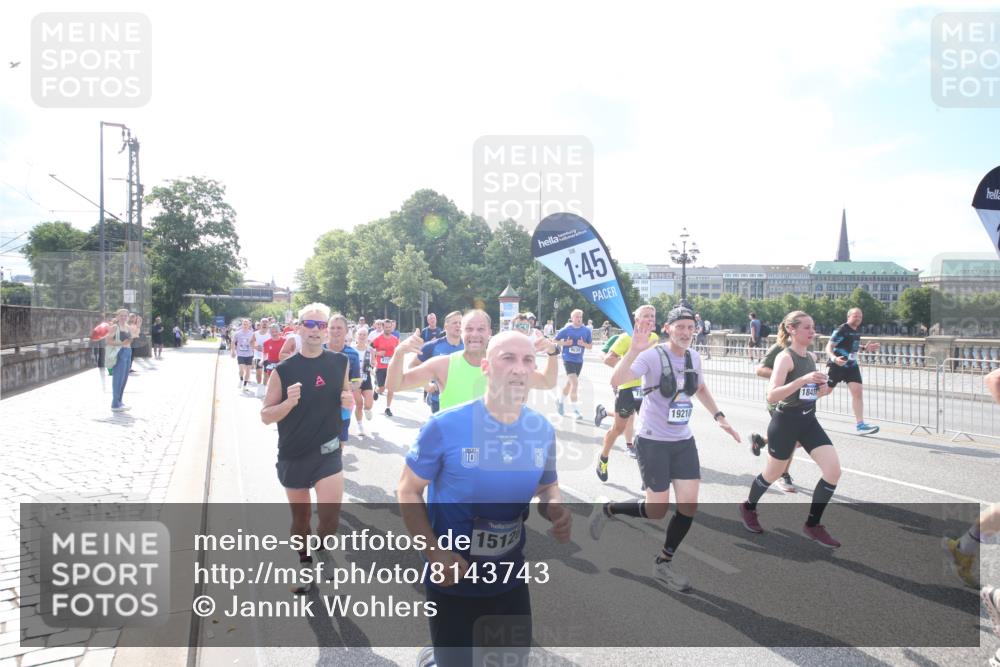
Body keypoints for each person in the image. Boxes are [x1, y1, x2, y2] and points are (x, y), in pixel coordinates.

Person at [398, 331, 571, 667]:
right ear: (486, 367)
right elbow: (407, 489)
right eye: (508, 358)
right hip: (453, 581)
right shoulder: (445, 425)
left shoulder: (541, 430)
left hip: (509, 579)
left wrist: (556, 508)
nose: (519, 369)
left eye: (527, 360)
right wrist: (433, 552)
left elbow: (546, 485)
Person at [590, 306, 740, 591]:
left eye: (690, 327)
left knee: (689, 505)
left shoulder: (694, 357)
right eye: (679, 327)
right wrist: (633, 350)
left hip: (683, 441)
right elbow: (616, 380)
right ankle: (609, 509)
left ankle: (663, 563)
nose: (685, 332)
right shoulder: (651, 355)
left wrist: (719, 417)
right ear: (668, 329)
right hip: (653, 440)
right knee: (657, 510)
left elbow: (700, 388)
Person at [261, 303, 353, 593]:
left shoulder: (340, 362)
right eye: (309, 324)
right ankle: (303, 563)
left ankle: (322, 547)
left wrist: (348, 401)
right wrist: (288, 403)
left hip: (328, 451)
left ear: (327, 330)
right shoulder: (283, 370)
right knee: (300, 520)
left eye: (320, 325)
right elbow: (265, 416)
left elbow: (345, 393)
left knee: (330, 517)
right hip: (294, 454)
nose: (315, 330)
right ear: (299, 327)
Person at [738, 310, 843, 548]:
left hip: (808, 421)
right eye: (807, 327)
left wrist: (825, 387)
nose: (812, 331)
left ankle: (813, 525)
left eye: (813, 326)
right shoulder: (785, 358)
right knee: (772, 474)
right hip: (785, 422)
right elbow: (772, 394)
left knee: (833, 471)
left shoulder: (811, 356)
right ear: (792, 330)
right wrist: (802, 380)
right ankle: (748, 507)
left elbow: (811, 394)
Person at [387, 310, 558, 412]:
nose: (475, 334)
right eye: (469, 329)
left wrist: (552, 352)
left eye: (481, 329)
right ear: (461, 332)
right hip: (454, 456)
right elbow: (395, 385)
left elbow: (547, 382)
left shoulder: (504, 366)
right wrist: (399, 353)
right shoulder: (443, 365)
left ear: (489, 332)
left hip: (492, 454)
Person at [595, 305, 661, 481]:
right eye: (646, 316)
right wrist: (629, 368)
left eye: (652, 316)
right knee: (618, 428)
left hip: (647, 390)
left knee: (650, 430)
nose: (650, 319)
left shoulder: (654, 338)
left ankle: (648, 476)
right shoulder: (625, 338)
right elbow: (608, 359)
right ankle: (603, 458)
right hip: (627, 389)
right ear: (637, 320)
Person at [825, 307, 881, 435]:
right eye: (855, 316)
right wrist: (834, 358)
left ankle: (860, 425)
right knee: (826, 391)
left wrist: (865, 348)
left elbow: (851, 346)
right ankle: (801, 406)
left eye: (860, 316)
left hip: (852, 366)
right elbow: (829, 346)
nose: (858, 318)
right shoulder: (841, 329)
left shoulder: (856, 331)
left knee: (858, 393)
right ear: (848, 317)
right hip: (838, 365)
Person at [411, 311, 463, 414]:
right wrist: (426, 385)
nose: (458, 325)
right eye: (454, 323)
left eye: (460, 323)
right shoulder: (432, 346)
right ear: (446, 326)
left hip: (463, 399)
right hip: (439, 399)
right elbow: (412, 366)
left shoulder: (469, 347)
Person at [324, 313, 362, 442]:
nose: (335, 331)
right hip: (319, 405)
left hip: (343, 405)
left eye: (339, 328)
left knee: (340, 440)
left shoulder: (353, 354)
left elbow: (357, 380)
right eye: (332, 328)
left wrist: (348, 388)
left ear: (346, 331)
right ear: (327, 330)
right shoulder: (318, 350)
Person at [553, 309, 593, 420]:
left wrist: (583, 344)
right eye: (577, 317)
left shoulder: (586, 331)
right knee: (574, 383)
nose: (579, 319)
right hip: (568, 359)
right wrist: (565, 343)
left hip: (579, 360)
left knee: (570, 384)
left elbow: (590, 346)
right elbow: (554, 340)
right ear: (572, 318)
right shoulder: (566, 329)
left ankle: (559, 401)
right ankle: (575, 410)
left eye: (580, 317)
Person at [105, 309, 136, 412]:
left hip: (128, 352)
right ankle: (115, 404)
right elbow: (108, 341)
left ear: (128, 317)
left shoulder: (128, 327)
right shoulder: (115, 327)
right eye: (121, 316)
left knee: (124, 379)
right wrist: (121, 344)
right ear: (117, 317)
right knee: (118, 378)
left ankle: (119, 401)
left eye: (125, 316)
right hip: (120, 353)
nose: (123, 317)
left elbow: (131, 339)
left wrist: (130, 340)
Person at [371, 322, 400, 416]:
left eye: (389, 327)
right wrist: (377, 354)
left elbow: (399, 351)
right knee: (382, 389)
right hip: (380, 367)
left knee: (391, 388)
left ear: (392, 328)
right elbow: (369, 348)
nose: (388, 329)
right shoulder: (378, 339)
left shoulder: (395, 339)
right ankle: (376, 390)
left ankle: (388, 408)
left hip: (391, 367)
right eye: (386, 327)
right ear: (383, 327)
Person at [353, 326, 377, 425]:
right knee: (359, 404)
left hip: (366, 378)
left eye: (364, 335)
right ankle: (359, 425)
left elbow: (373, 364)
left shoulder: (370, 350)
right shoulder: (351, 349)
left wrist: (372, 369)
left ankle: (367, 409)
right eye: (360, 334)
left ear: (367, 337)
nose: (362, 336)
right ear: (356, 336)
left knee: (369, 404)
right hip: (354, 379)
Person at [231, 318, 256, 392]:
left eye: (247, 324)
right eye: (244, 324)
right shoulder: (237, 333)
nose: (245, 325)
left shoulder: (252, 333)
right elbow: (233, 342)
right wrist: (233, 351)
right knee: (241, 369)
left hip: (249, 354)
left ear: (249, 325)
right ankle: (241, 380)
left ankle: (245, 385)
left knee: (248, 371)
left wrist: (255, 351)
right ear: (242, 325)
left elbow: (255, 343)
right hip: (240, 354)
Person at [261, 323, 284, 389]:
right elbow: (265, 354)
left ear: (279, 331)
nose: (274, 333)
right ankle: (267, 393)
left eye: (276, 331)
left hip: (282, 363)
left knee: (281, 381)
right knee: (271, 381)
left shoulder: (285, 341)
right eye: (272, 332)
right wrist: (262, 360)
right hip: (271, 363)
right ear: (269, 332)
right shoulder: (266, 342)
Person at [252, 319, 271, 398]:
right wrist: (255, 346)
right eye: (263, 323)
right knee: (258, 372)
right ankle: (259, 387)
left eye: (266, 323)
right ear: (260, 324)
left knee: (266, 373)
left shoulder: (270, 333)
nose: (264, 324)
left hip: (268, 356)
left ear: (268, 324)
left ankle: (263, 387)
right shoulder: (255, 333)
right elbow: (251, 342)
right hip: (258, 356)